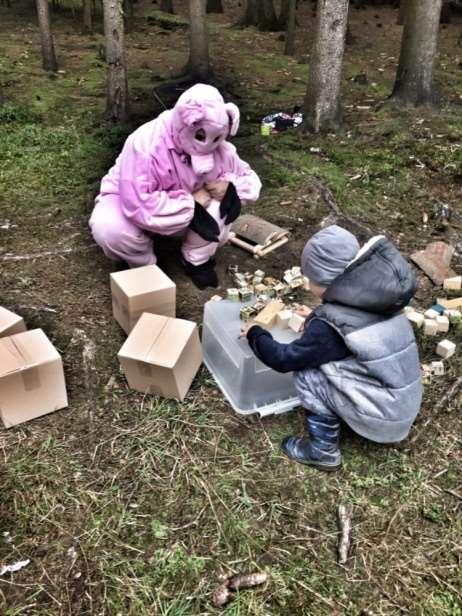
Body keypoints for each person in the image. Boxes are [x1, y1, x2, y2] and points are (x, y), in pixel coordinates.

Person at [243, 225, 422, 471]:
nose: (306, 286)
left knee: (308, 373)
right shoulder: (382, 297)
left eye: (310, 279)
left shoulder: (328, 329)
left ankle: (323, 451)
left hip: (382, 418)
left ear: (328, 282)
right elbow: (348, 323)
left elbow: (283, 359)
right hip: (402, 404)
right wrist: (317, 318)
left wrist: (255, 333)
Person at [89, 84, 261, 289]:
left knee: (222, 203)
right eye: (200, 136)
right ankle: (144, 264)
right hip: (130, 203)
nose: (206, 146)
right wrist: (190, 203)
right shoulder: (144, 145)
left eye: (216, 139)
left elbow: (249, 179)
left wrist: (229, 186)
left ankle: (195, 259)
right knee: (109, 228)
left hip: (182, 212)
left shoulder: (221, 149)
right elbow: (138, 203)